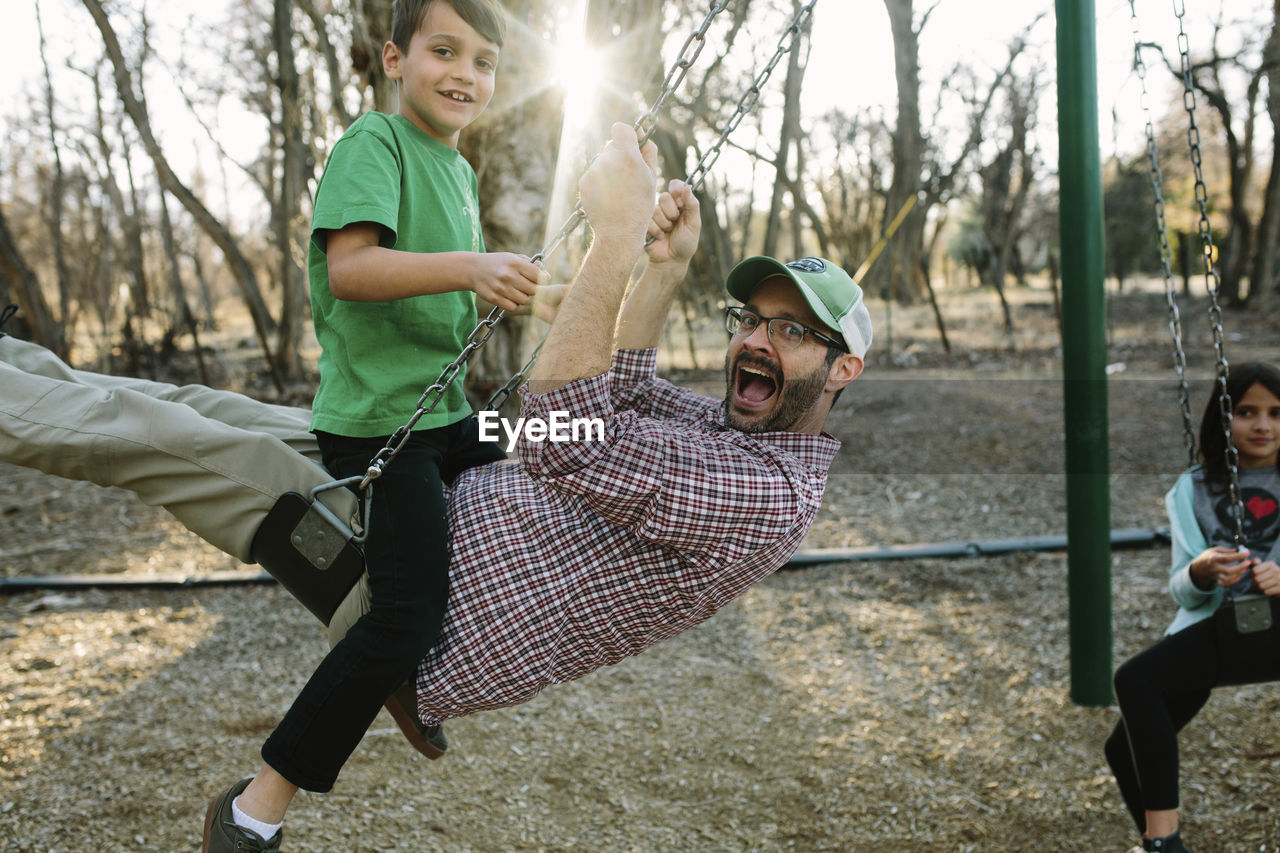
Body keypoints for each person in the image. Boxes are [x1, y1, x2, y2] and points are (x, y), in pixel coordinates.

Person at [0, 122, 869, 850]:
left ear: (843, 369)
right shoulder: (730, 430)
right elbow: (628, 389)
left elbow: (574, 432)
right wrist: (664, 267)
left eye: (793, 331)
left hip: (406, 587)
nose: (758, 339)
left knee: (155, 437)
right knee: (188, 401)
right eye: (752, 318)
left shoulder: (765, 493)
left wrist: (612, 240)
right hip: (422, 480)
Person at [1104, 363, 1280, 853]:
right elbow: (1182, 590)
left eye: (1276, 413)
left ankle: (1165, 844)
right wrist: (1201, 571)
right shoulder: (1193, 489)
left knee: (1133, 680)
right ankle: (1158, 838)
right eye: (1246, 412)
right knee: (1121, 748)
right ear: (1222, 419)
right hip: (1221, 629)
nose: (1262, 425)